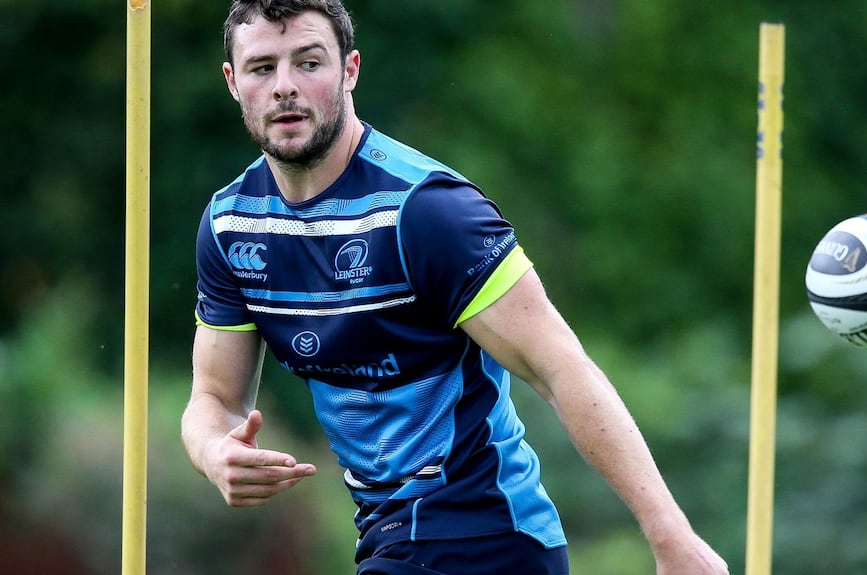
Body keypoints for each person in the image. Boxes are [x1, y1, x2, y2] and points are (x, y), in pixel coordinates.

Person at [181, 1, 730, 574]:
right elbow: (214, 398)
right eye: (263, 67)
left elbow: (561, 368)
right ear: (233, 82)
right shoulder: (229, 225)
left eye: (309, 63)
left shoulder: (429, 212)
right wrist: (214, 451)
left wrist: (671, 536)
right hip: (392, 536)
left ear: (350, 71)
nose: (285, 87)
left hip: (484, 530)